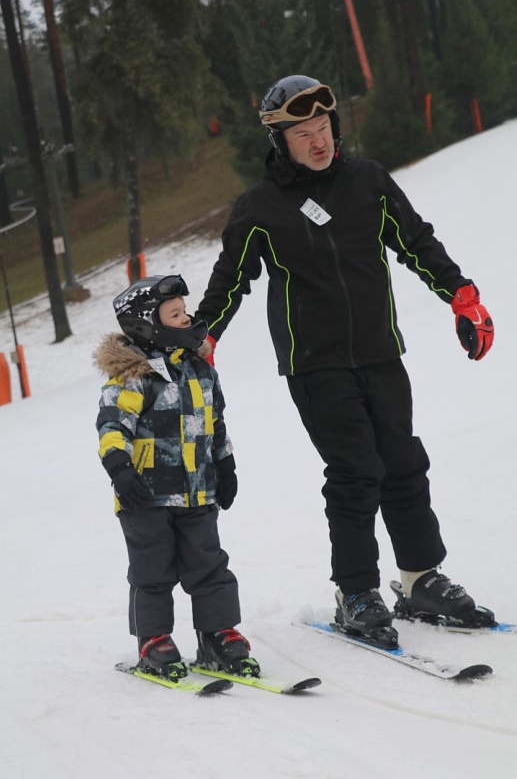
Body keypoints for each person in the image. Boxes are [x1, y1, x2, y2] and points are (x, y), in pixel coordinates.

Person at [196, 75, 495, 648]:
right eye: (304, 133)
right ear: (280, 141)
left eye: (325, 128)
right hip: (315, 363)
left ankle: (419, 578)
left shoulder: (368, 182)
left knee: (403, 461)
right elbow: (230, 279)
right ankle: (355, 593)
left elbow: (416, 242)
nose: (319, 142)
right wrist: (205, 335)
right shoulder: (260, 206)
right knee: (357, 470)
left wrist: (462, 295)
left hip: (381, 351)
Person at [94, 274, 260, 678]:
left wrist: (225, 464)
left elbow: (215, 423)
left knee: (209, 565)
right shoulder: (133, 378)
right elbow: (111, 429)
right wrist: (121, 472)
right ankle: (153, 640)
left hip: (198, 492)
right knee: (152, 570)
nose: (186, 319)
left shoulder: (201, 370)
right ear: (147, 325)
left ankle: (217, 634)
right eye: (175, 314)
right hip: (144, 499)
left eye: (185, 311)